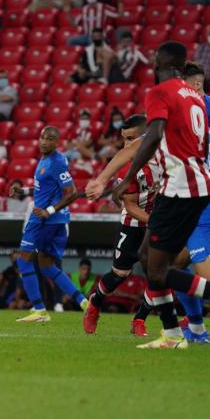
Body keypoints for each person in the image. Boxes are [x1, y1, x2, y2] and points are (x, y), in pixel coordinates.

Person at [87, 61, 210, 344]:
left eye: (200, 86)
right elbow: (136, 153)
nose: (197, 91)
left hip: (187, 199)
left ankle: (168, 327)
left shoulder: (178, 103)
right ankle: (183, 330)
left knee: (159, 267)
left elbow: (147, 140)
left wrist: (113, 178)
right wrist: (110, 178)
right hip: (171, 205)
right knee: (146, 265)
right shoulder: (187, 111)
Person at [83, 114, 159, 334]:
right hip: (134, 223)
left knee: (160, 274)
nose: (128, 146)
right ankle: (95, 303)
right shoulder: (126, 170)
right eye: (125, 140)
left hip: (157, 224)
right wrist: (157, 221)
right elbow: (132, 207)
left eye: (132, 139)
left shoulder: (165, 157)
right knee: (119, 274)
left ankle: (140, 319)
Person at [10, 126, 87, 322]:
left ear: (57, 142)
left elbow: (72, 192)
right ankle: (84, 302)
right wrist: (24, 191)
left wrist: (48, 211)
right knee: (46, 266)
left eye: (50, 138)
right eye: (42, 137)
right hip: (54, 221)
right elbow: (43, 189)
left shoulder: (57, 162)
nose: (44, 141)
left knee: (23, 260)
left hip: (44, 220)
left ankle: (39, 310)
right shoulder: (45, 160)